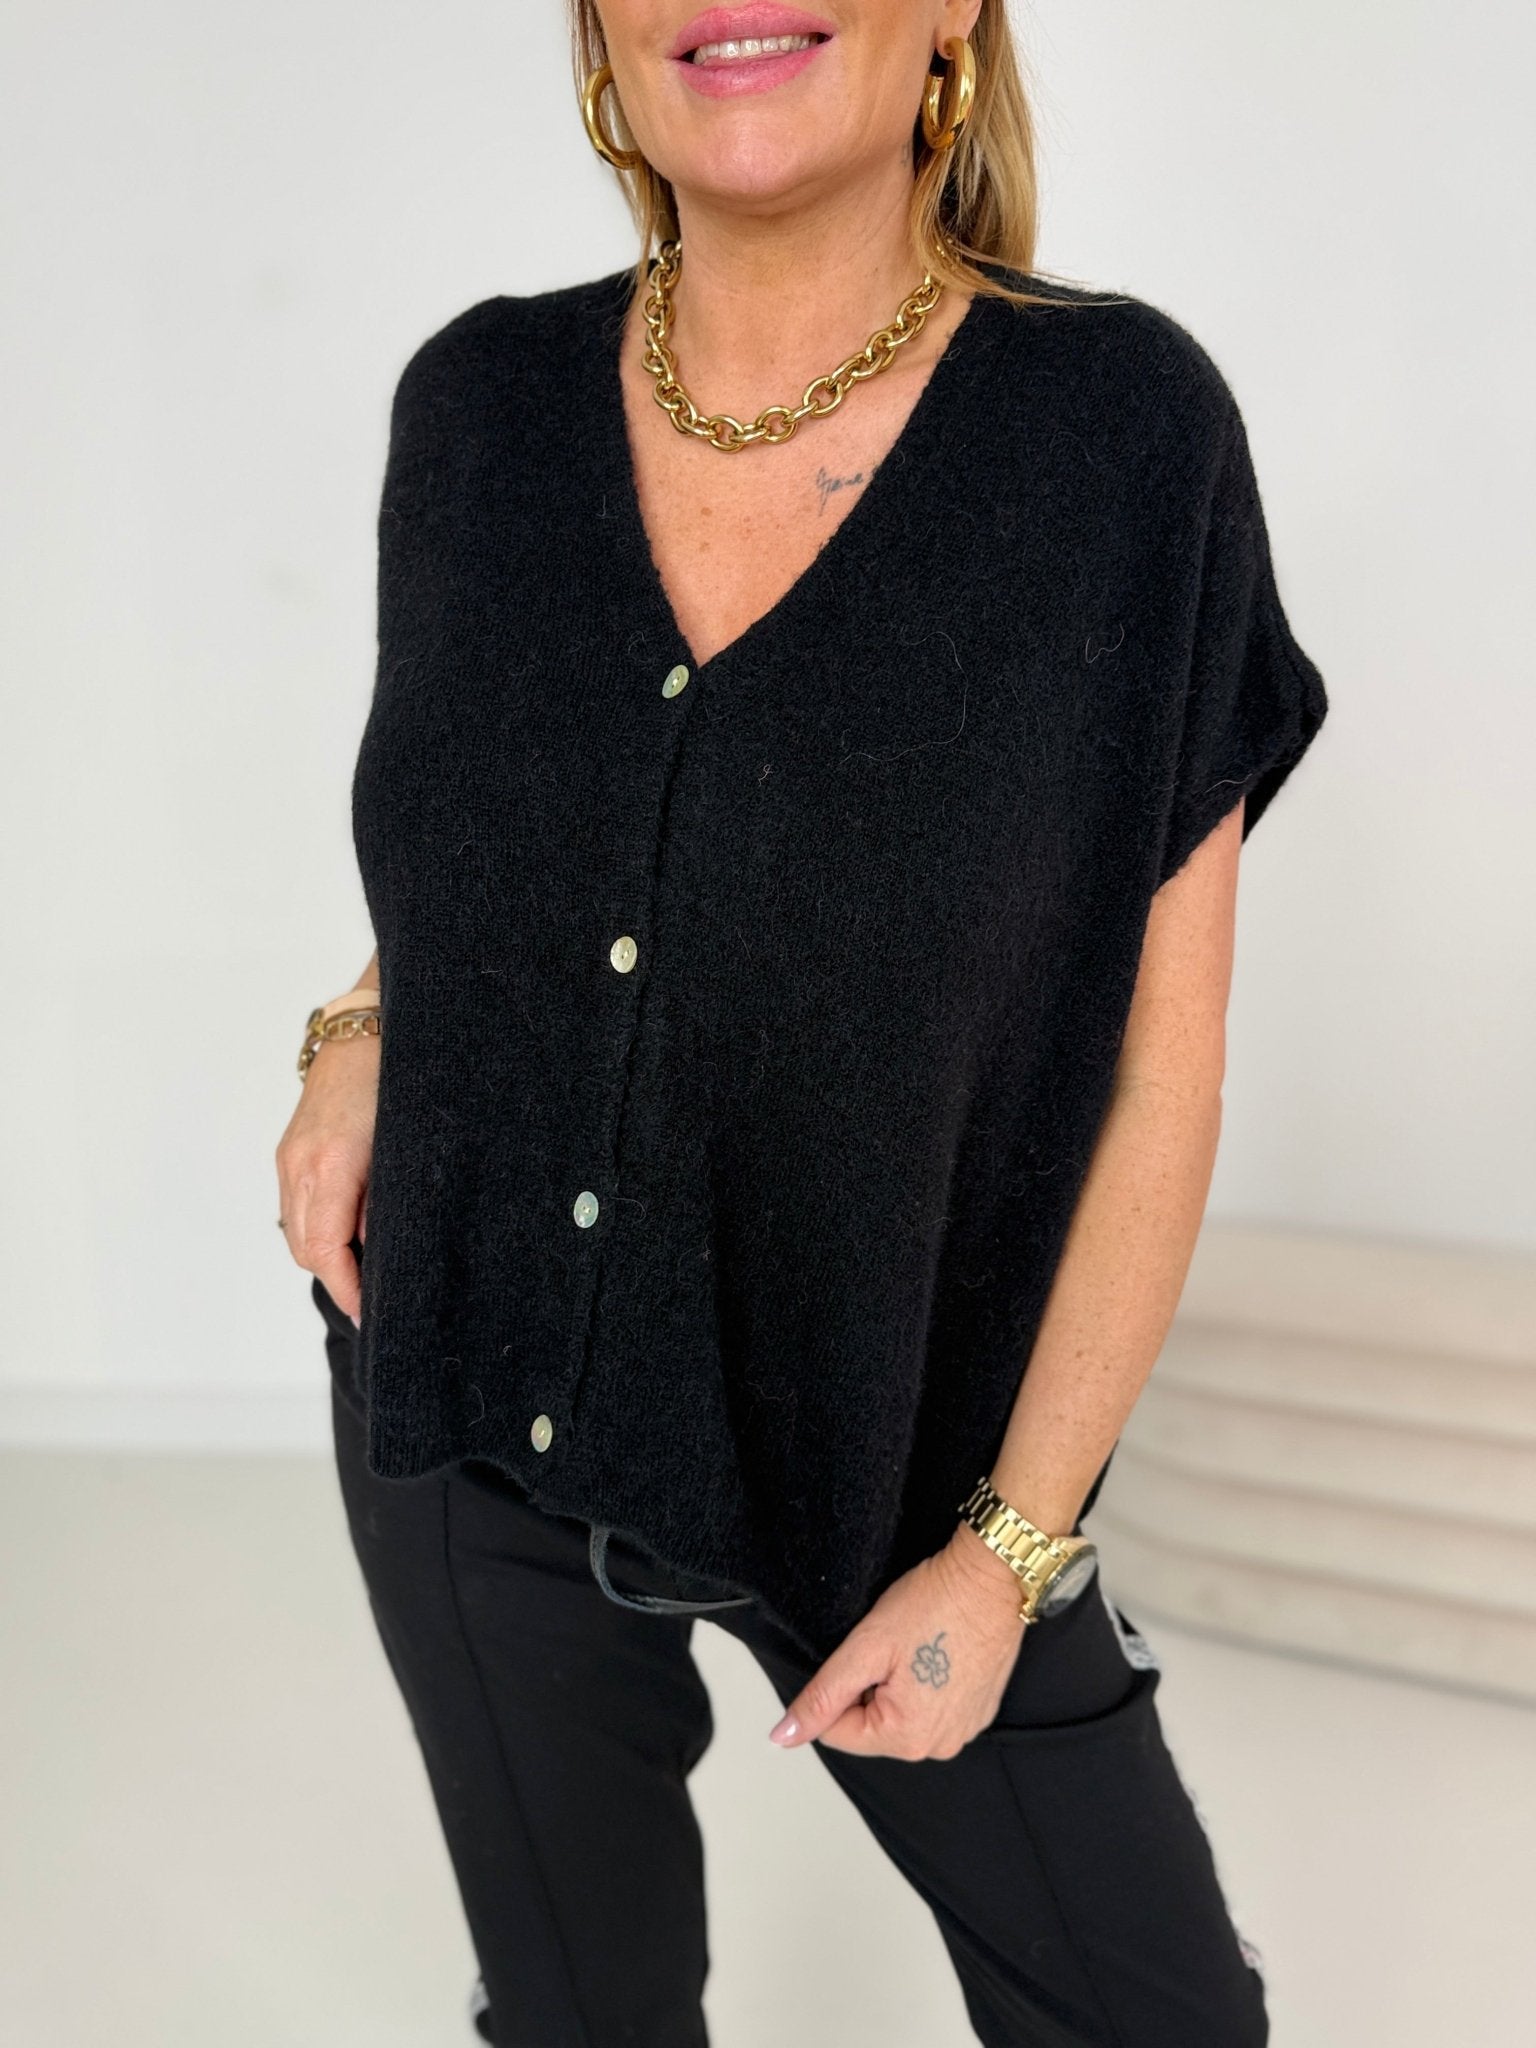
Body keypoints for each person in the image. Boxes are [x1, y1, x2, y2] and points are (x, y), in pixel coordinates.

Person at [275, 4, 1329, 2043]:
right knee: (579, 2016)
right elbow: (496, 849)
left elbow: (1161, 1072)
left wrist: (1007, 1556)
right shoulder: (477, 406)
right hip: (461, 1372)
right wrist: (358, 1027)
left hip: (904, 1439)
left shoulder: (1120, 437)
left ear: (952, 21)